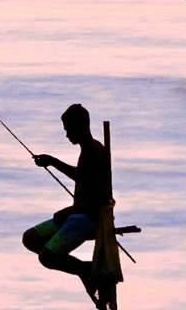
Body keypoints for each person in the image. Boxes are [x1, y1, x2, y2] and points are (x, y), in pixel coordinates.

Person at [25, 103, 117, 307]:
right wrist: (52, 162)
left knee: (47, 257)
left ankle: (87, 271)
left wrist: (69, 211)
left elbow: (99, 199)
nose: (66, 135)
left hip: (88, 218)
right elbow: (80, 176)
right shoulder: (88, 151)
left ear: (81, 126)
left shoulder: (94, 151)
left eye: (68, 129)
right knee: (30, 238)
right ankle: (84, 268)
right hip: (77, 215)